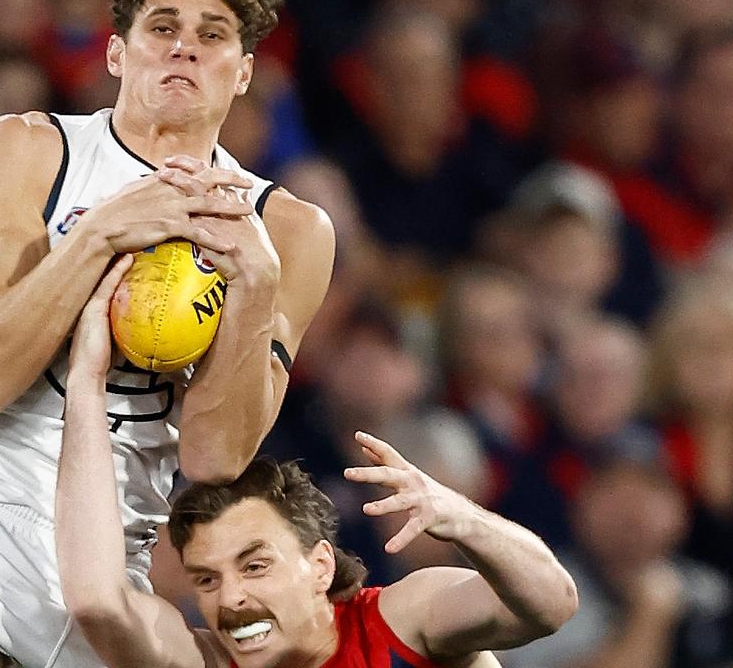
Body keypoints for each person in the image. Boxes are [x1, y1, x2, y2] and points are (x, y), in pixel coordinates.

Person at [0, 0, 336, 666]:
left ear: (243, 72)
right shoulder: (27, 151)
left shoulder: (288, 231)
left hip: (111, 551)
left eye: (212, 35)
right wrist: (102, 235)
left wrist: (256, 288)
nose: (184, 46)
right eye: (163, 26)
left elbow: (213, 455)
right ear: (116, 51)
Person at [56, 261, 579, 668]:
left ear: (321, 565)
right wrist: (86, 381)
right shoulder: (209, 659)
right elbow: (100, 604)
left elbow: (551, 604)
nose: (231, 598)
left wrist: (462, 518)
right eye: (207, 580)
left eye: (255, 565)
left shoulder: (403, 618)